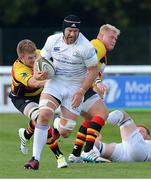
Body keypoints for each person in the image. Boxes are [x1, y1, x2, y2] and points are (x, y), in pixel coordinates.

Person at [24, 14, 99, 170]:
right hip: (55, 83)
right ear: (64, 29)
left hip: (75, 87)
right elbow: (41, 59)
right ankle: (35, 159)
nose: (72, 34)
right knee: (43, 115)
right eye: (69, 31)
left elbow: (93, 70)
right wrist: (37, 72)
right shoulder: (53, 40)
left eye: (75, 31)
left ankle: (58, 120)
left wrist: (81, 92)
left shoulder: (86, 47)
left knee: (65, 131)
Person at [9, 39, 67, 168]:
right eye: (30, 58)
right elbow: (33, 83)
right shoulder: (18, 68)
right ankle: (59, 156)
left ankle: (26, 134)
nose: (34, 59)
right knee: (40, 118)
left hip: (40, 94)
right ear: (21, 57)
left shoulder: (41, 54)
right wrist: (50, 82)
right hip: (22, 98)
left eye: (35, 56)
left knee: (61, 120)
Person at [68, 24, 120, 163]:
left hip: (76, 85)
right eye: (111, 37)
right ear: (102, 36)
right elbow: (86, 65)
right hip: (78, 86)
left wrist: (96, 85)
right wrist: (97, 82)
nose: (114, 40)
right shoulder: (98, 45)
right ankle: (88, 151)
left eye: (115, 38)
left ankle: (75, 154)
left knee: (92, 118)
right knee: (102, 113)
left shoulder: (99, 48)